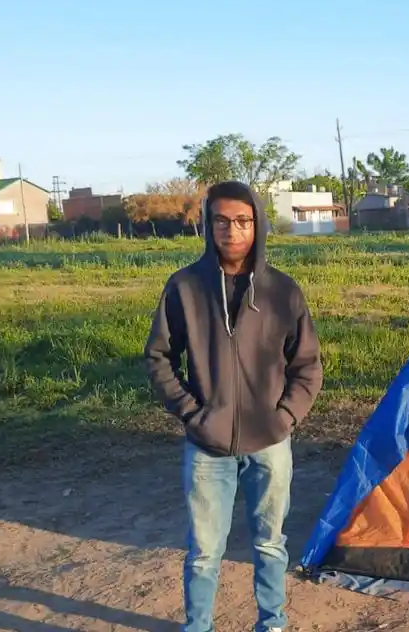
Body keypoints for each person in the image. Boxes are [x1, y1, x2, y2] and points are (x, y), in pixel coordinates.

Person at [144, 180, 323, 632]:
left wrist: (285, 417)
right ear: (208, 225)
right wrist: (192, 413)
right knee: (205, 550)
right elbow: (159, 358)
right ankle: (198, 626)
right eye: (221, 221)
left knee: (270, 544)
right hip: (207, 445)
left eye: (242, 221)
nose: (232, 230)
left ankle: (273, 623)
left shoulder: (282, 291)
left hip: (270, 443)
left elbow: (307, 366)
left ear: (257, 224)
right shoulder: (184, 288)